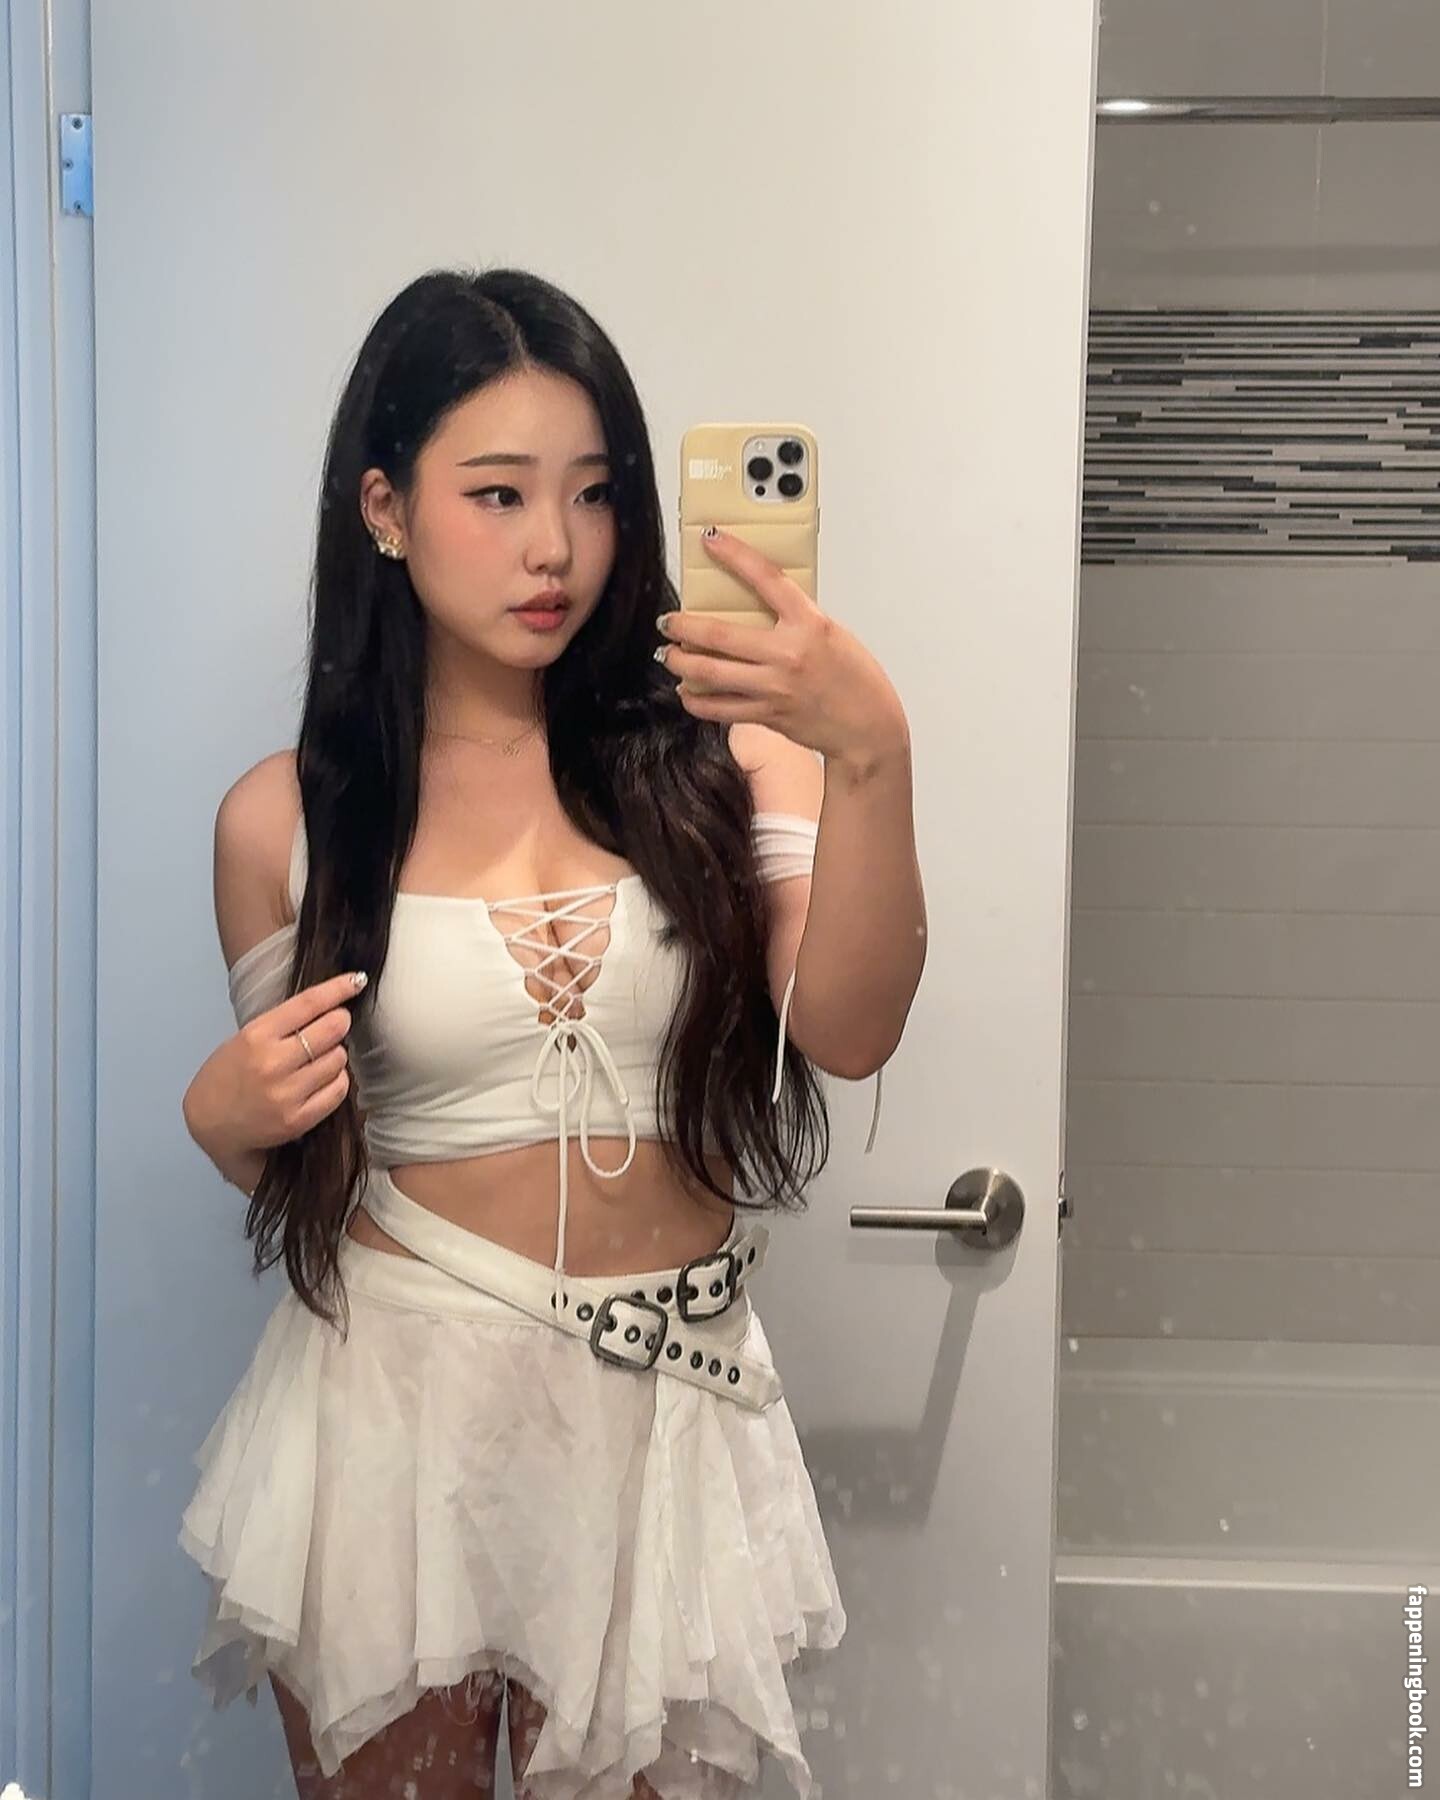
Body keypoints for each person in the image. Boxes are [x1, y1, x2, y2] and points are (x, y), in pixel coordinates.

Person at [178, 265, 903, 1798]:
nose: (555, 547)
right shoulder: (285, 821)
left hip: (667, 1405)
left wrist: (872, 754)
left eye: (592, 492)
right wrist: (224, 1122)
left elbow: (848, 1029)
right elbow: (306, 1165)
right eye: (499, 493)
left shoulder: (729, 764)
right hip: (396, 1412)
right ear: (386, 508)